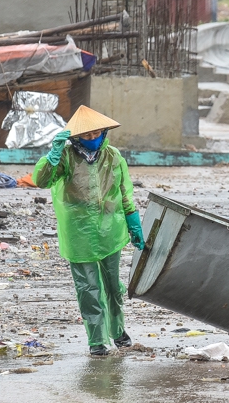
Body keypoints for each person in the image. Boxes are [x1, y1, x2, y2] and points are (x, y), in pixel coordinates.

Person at [33, 105, 145, 356]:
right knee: (88, 289)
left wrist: (133, 222)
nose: (92, 139)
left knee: (113, 286)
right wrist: (51, 157)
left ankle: (117, 331)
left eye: (97, 134)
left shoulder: (113, 156)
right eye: (86, 135)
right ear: (75, 137)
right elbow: (42, 181)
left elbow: (124, 192)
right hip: (79, 230)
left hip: (110, 229)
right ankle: (96, 340)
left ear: (104, 132)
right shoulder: (65, 157)